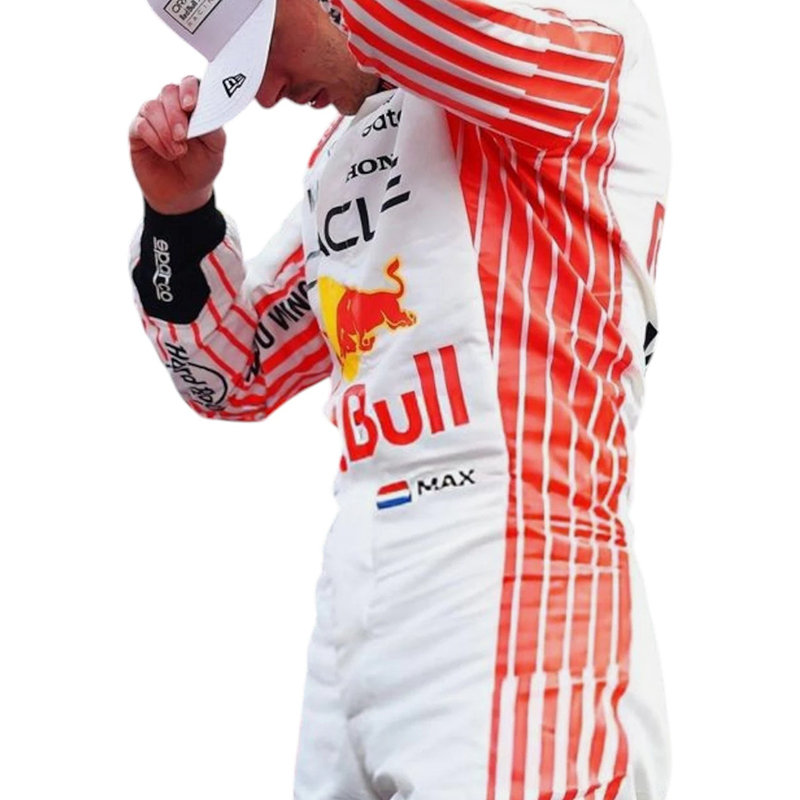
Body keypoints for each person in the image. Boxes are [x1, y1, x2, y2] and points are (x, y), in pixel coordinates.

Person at [127, 0, 671, 797]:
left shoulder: (575, 34)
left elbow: (454, 38)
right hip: (353, 597)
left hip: (518, 566)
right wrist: (178, 218)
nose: (265, 93)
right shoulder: (344, 156)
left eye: (264, 44)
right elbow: (232, 371)